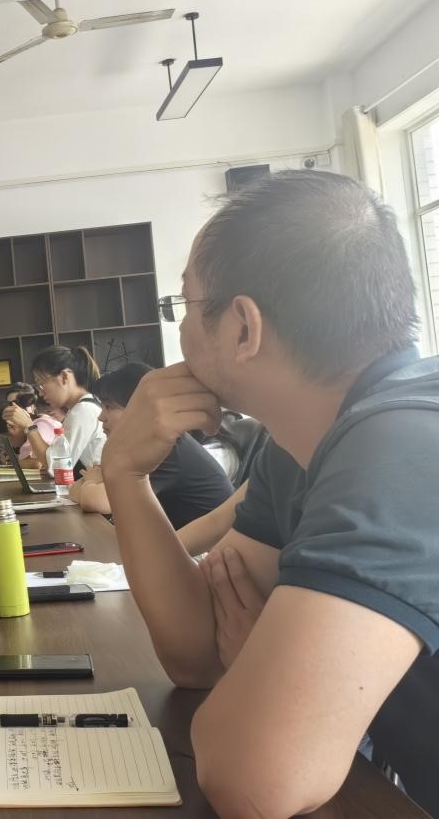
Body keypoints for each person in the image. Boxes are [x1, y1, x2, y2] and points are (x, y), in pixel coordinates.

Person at [100, 171, 439, 817]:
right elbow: (199, 653)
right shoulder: (301, 441)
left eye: (184, 305)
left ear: (242, 327)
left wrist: (257, 669)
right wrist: (125, 474)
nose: (181, 329)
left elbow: (255, 780)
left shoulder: (403, 442)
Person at [68, 362, 233, 530]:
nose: (101, 417)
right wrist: (92, 484)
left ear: (140, 408)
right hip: (181, 539)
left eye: (109, 407)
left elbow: (96, 502)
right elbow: (73, 490)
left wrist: (91, 481)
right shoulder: (142, 443)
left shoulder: (165, 449)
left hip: (212, 544)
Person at [4, 346, 104, 475]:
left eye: (41, 384)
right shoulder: (82, 408)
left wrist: (29, 426)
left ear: (64, 377)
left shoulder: (84, 411)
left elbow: (58, 466)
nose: (40, 393)